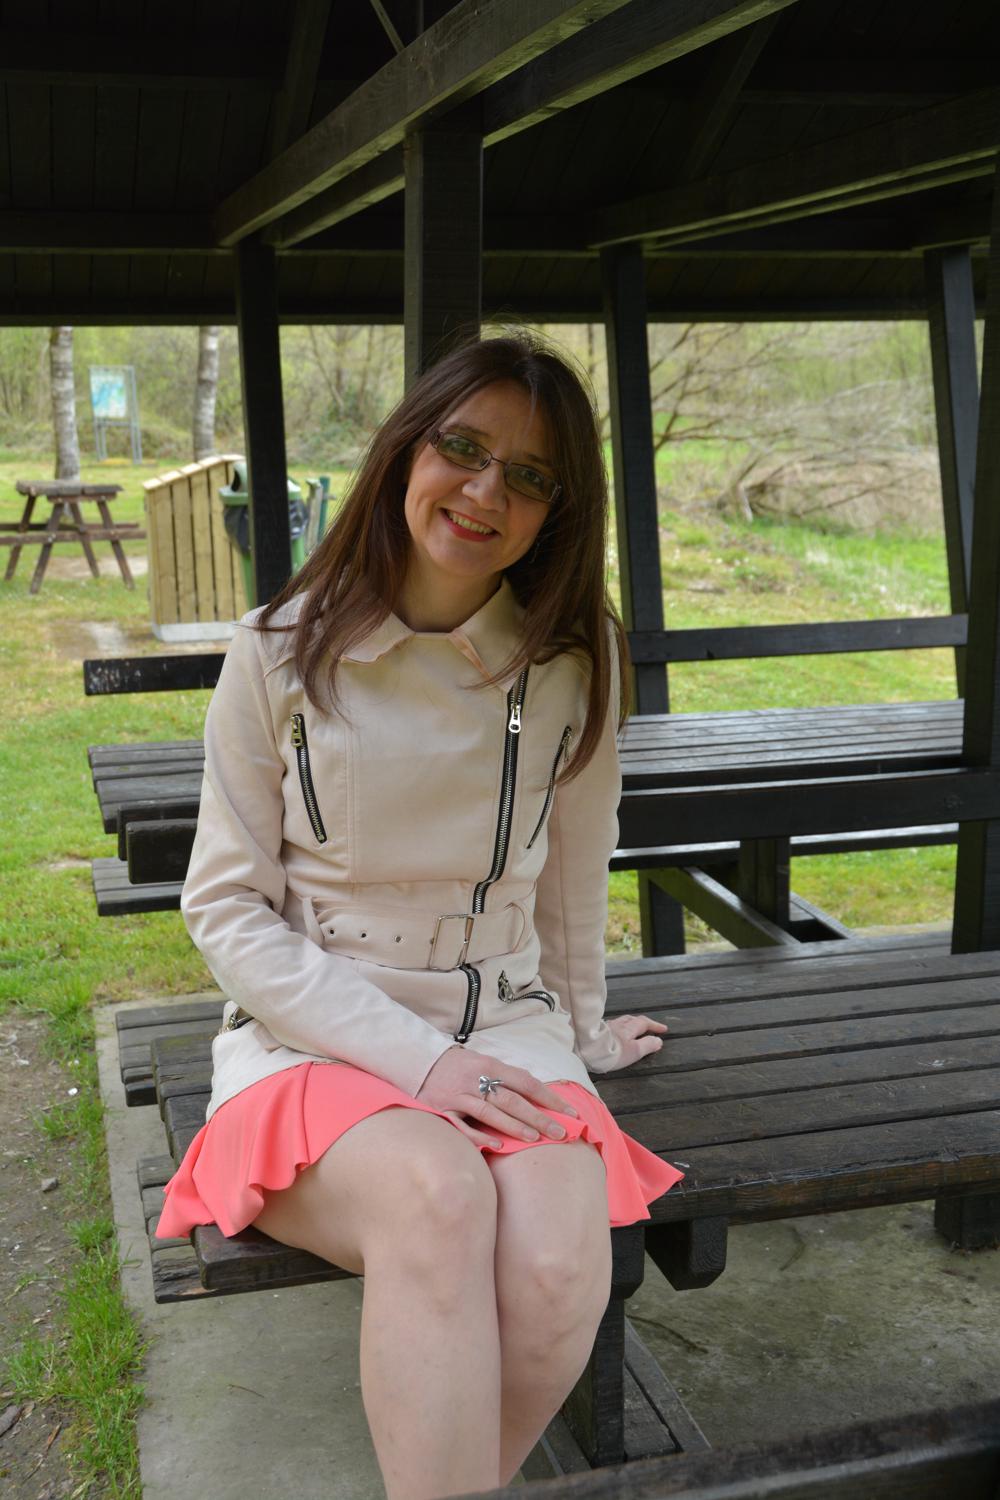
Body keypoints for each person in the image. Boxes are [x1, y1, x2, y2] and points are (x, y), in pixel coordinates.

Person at [156, 331, 684, 1499]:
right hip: (314, 1039)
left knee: (558, 1264)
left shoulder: (574, 660)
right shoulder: (276, 652)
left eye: (530, 475)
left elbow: (572, 875)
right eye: (463, 447)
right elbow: (228, 910)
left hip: (504, 1024)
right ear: (408, 450)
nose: (486, 490)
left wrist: (580, 1031)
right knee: (437, 1196)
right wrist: (418, 1064)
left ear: (556, 512)